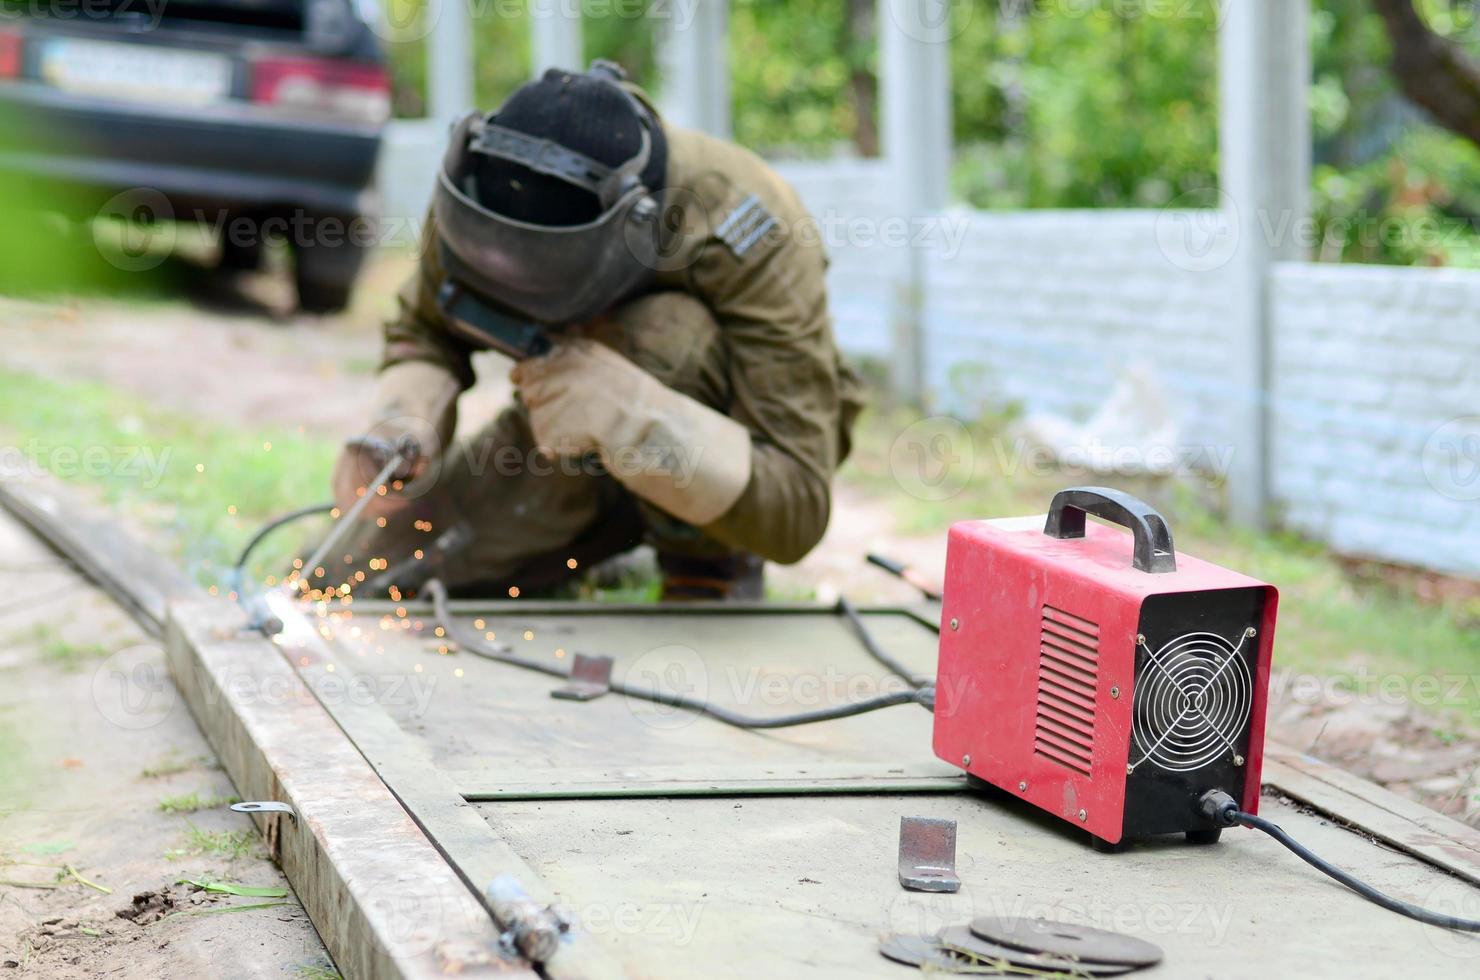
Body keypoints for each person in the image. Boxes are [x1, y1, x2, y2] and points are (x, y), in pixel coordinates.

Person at [332, 61, 863, 601]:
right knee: (344, 583)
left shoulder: (744, 223)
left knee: (671, 339)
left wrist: (630, 416)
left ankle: (705, 559)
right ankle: (590, 548)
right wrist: (403, 423)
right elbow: (425, 331)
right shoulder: (482, 194)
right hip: (559, 439)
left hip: (686, 436)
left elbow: (798, 505)